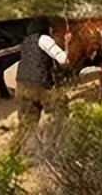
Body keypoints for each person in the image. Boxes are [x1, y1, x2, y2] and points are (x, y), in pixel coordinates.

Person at [11, 18, 69, 157]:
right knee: (62, 108)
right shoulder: (44, 39)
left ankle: (13, 154)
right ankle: (52, 145)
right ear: (45, 29)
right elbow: (64, 60)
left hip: (21, 85)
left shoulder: (25, 43)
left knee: (26, 122)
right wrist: (66, 44)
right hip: (40, 85)